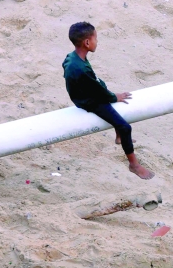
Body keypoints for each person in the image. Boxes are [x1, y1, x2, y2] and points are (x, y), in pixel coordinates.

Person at [62, 22, 154, 179]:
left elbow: (69, 69)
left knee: (115, 114)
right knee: (125, 127)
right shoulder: (81, 69)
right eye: (95, 38)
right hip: (88, 101)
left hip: (83, 93)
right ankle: (134, 165)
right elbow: (100, 94)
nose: (97, 42)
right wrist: (114, 97)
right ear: (87, 42)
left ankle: (119, 137)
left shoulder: (73, 57)